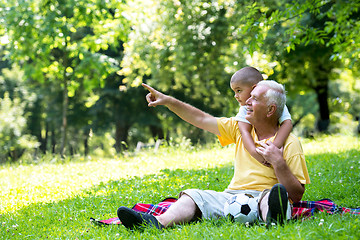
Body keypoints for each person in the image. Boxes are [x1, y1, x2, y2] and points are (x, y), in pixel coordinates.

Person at [117, 70, 310, 230]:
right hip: (232, 197)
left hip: (264, 196)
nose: (246, 103)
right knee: (192, 195)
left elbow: (297, 194)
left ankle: (274, 220)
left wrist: (279, 163)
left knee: (274, 197)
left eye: (254, 99)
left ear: (270, 110)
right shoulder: (237, 128)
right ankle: (156, 223)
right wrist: (168, 101)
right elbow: (200, 119)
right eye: (248, 97)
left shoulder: (290, 143)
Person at [230, 67, 293, 167]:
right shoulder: (244, 109)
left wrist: (274, 147)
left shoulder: (274, 101)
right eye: (234, 92)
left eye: (239, 91)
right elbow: (244, 132)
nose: (236, 96)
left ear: (254, 88)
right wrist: (257, 155)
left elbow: (287, 124)